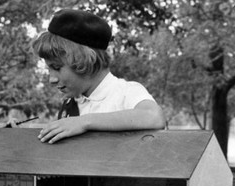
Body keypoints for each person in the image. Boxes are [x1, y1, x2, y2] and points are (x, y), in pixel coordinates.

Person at [32, 9, 165, 145]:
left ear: (83, 60)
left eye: (57, 68)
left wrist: (83, 122)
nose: (51, 79)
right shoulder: (71, 104)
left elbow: (154, 117)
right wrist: (17, 133)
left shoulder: (125, 92)